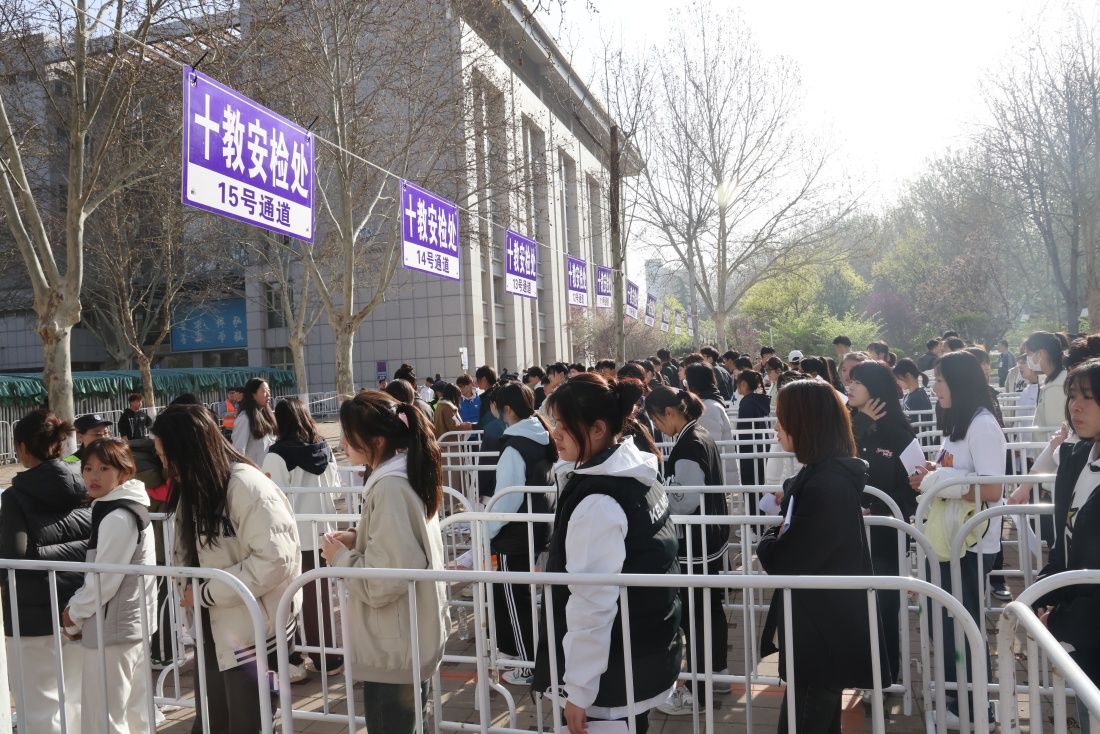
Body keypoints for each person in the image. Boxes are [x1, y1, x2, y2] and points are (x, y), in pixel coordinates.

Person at [532, 374, 681, 734]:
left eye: (563, 425)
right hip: (641, 657)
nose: (555, 434)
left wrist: (578, 690)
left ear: (598, 429)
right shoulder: (636, 474)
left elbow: (592, 602)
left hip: (611, 677)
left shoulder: (599, 500)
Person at [154, 404, 302, 732]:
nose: (164, 465)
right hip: (216, 626)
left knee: (248, 721)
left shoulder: (244, 486)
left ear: (187, 451)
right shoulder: (197, 486)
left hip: (254, 630)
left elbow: (275, 560)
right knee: (214, 720)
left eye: (167, 456)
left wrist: (205, 592)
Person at [320, 391, 447, 733]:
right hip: (405, 639)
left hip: (394, 647)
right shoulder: (404, 474)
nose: (343, 443)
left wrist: (340, 557)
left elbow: (383, 579)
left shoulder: (390, 486)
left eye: (349, 436)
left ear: (376, 441)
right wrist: (357, 537)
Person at [757, 380, 879, 734]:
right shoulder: (823, 475)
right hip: (821, 627)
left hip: (820, 634)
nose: (776, 427)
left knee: (805, 717)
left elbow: (783, 559)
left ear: (805, 423)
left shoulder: (825, 484)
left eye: (783, 418)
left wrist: (768, 540)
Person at [909, 350, 1006, 726]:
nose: (934, 388)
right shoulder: (959, 425)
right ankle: (960, 697)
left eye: (940, 380)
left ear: (959, 383)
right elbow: (956, 472)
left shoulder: (982, 425)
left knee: (962, 624)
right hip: (953, 540)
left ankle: (975, 707)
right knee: (948, 621)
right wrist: (933, 474)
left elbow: (992, 489)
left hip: (972, 543)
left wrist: (938, 483)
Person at [0, 410, 91, 733]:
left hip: (30, 615)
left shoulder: (15, 497)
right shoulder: (85, 485)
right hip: (78, 608)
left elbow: (13, 556)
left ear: (23, 448)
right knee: (76, 701)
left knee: (39, 706)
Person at [645, 385, 730, 715]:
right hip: (708, 539)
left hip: (697, 544)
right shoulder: (698, 435)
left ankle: (698, 692)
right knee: (709, 610)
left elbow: (686, 501)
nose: (657, 427)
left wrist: (659, 494)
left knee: (697, 615)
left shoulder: (689, 445)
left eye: (656, 420)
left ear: (669, 413)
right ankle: (717, 674)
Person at [64, 437, 157, 734]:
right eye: (88, 468)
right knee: (133, 713)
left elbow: (103, 580)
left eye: (104, 468)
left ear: (124, 471)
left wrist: (73, 614)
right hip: (129, 624)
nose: (93, 476)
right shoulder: (125, 507)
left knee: (106, 717)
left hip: (113, 628)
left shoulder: (118, 515)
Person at [1032, 358, 1100, 729]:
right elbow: (1064, 541)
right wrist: (1043, 593)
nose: (1076, 406)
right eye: (1073, 395)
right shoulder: (1076, 458)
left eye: (1089, 397)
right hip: (1081, 630)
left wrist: (1061, 620)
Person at [846, 360, 924, 684]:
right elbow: (838, 459)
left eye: (858, 381)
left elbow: (917, 486)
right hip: (850, 534)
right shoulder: (849, 425)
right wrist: (860, 425)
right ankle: (861, 669)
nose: (850, 386)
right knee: (854, 604)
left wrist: (880, 507)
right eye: (849, 380)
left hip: (886, 536)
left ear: (876, 388)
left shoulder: (899, 433)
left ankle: (887, 673)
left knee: (884, 605)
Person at [262, 398, 343, 679]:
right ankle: (328, 658)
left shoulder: (276, 455)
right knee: (319, 598)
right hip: (324, 534)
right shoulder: (324, 448)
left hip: (292, 536)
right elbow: (336, 489)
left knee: (288, 599)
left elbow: (271, 499)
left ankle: (295, 660)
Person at [486, 381, 557, 686]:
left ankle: (528, 663)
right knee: (518, 596)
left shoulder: (515, 445)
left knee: (515, 599)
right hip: (536, 527)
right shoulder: (540, 435)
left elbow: (508, 497)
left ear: (508, 409)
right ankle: (522, 655)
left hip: (515, 533)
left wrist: (488, 528)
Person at [734, 370, 771, 507]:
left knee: (751, 489)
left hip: (749, 451)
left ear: (743, 384)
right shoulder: (761, 400)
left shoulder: (747, 402)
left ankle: (754, 517)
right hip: (762, 448)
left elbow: (744, 430)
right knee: (760, 486)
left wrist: (736, 442)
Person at [1026, 331, 1070, 431]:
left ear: (1040, 354)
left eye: (1029, 354)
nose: (1028, 359)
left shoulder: (1057, 386)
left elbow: (1055, 428)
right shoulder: (1054, 380)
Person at [232, 377, 277, 465]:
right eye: (264, 391)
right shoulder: (244, 418)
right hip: (255, 470)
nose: (268, 394)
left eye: (268, 390)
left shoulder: (268, 416)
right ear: (252, 394)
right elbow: (238, 451)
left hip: (270, 469)